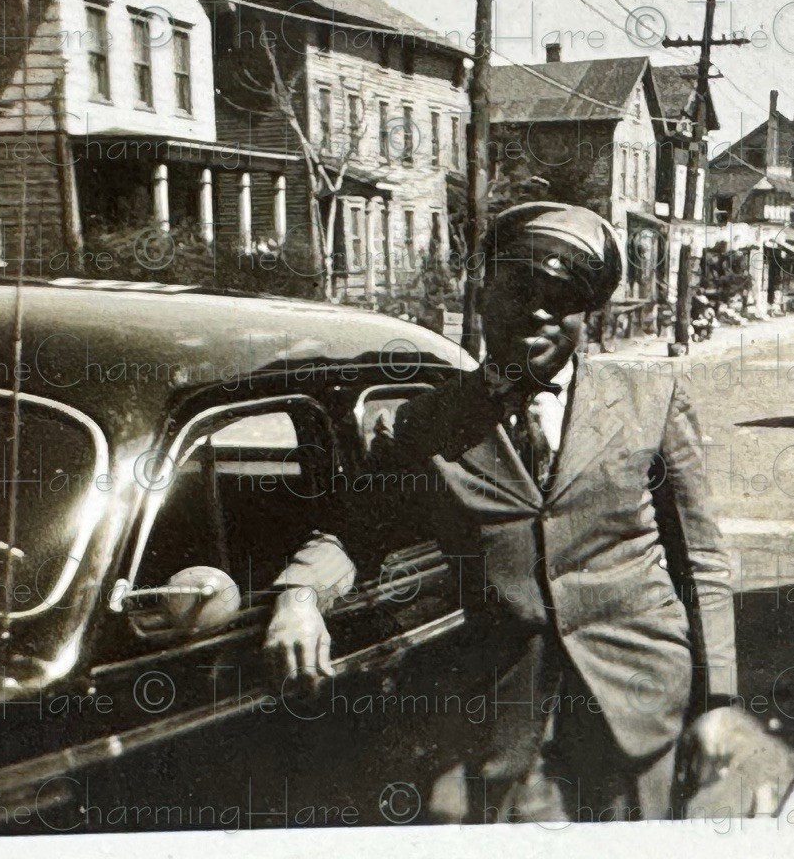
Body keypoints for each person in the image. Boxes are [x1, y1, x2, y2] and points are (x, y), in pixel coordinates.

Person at [263, 202, 745, 823]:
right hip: (500, 708)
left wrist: (720, 700)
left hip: (638, 699)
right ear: (483, 290)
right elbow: (357, 530)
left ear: (587, 312)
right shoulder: (424, 422)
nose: (541, 310)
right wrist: (299, 596)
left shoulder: (650, 397)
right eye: (522, 286)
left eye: (565, 296)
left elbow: (700, 558)